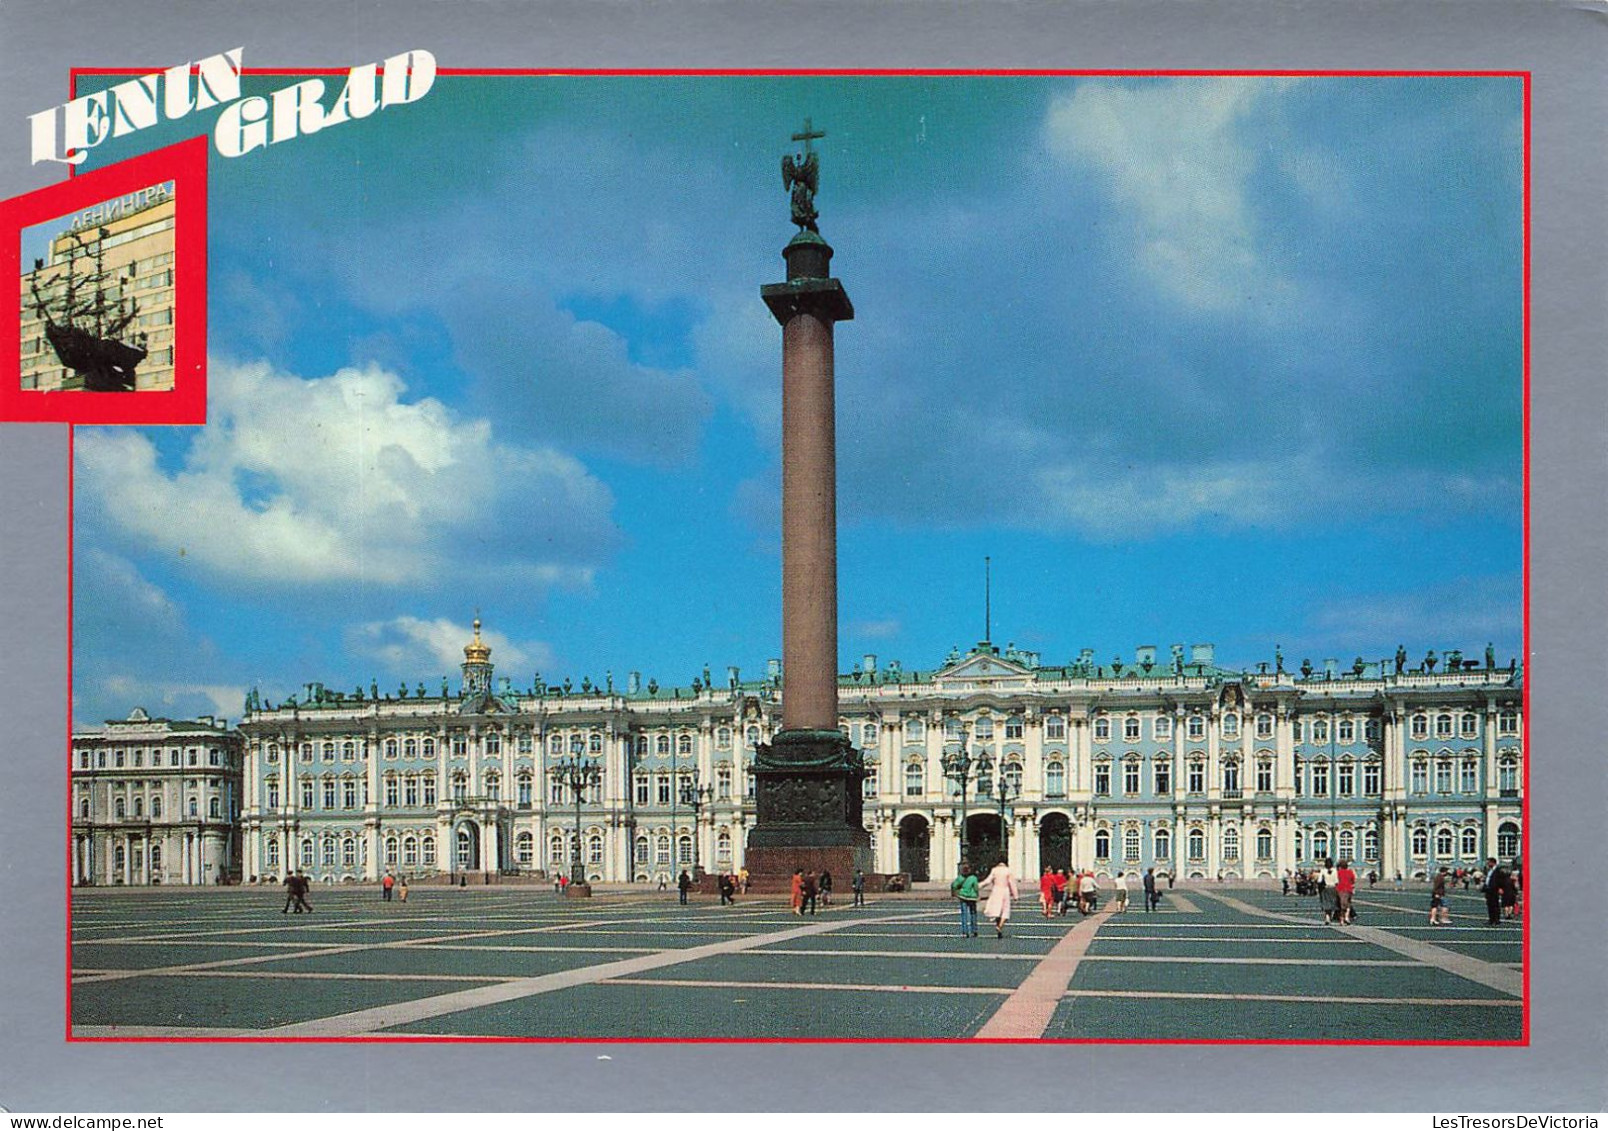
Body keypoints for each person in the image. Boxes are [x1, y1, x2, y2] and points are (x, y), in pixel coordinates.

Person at [981, 858, 1018, 938]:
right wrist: (1015, 895)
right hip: (1005, 891)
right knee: (1005, 910)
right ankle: (1000, 926)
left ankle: (998, 924)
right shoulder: (1008, 871)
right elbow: (1012, 884)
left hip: (996, 890)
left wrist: (979, 885)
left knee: (997, 909)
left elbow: (988, 881)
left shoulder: (994, 870)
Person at [951, 861, 980, 937]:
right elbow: (976, 888)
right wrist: (977, 895)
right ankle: (974, 930)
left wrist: (956, 893)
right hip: (972, 897)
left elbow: (954, 885)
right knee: (973, 913)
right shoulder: (973, 878)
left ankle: (965, 931)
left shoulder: (960, 878)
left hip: (963, 896)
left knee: (964, 914)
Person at [1483, 857, 1509, 926]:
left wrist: (1501, 888)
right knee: (1489, 905)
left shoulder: (1498, 870)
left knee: (1495, 905)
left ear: (1492, 862)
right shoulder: (1489, 870)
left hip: (1495, 890)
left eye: (1488, 862)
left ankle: (1496, 920)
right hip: (1488, 890)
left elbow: (1502, 880)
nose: (1487, 864)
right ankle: (1491, 919)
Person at [1335, 859, 1357, 925]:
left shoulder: (1338, 872)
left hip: (1340, 889)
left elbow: (1336, 881)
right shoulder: (1350, 872)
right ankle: (1347, 917)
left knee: (1341, 905)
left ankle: (1341, 920)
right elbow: (1353, 881)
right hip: (1348, 889)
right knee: (1348, 904)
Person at [1319, 858, 1340, 925]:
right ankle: (1329, 917)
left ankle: (1327, 917)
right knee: (1332, 903)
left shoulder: (1323, 871)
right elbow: (1337, 881)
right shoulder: (1335, 870)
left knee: (1326, 903)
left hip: (1325, 888)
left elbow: (1319, 881)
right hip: (1333, 888)